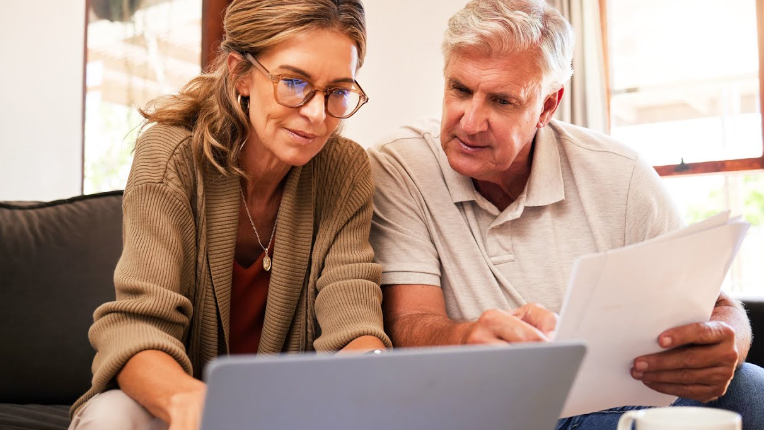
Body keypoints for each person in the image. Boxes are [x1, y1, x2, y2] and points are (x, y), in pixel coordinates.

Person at [367, 0, 764, 429]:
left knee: (751, 388)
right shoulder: (400, 165)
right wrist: (466, 338)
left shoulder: (620, 173)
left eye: (502, 101)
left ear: (547, 107)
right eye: (460, 90)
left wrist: (730, 342)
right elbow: (410, 322)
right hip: (488, 407)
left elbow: (719, 306)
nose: (470, 122)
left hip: (617, 399)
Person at [69, 1, 390, 429]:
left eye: (338, 91)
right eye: (294, 82)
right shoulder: (171, 156)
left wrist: (375, 374)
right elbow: (138, 326)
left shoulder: (344, 169)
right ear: (240, 74)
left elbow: (352, 319)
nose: (317, 114)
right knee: (112, 416)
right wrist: (188, 400)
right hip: (173, 402)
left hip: (288, 412)